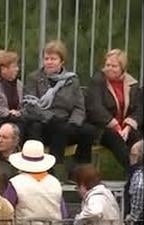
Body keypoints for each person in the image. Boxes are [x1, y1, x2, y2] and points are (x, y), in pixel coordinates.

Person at [23, 40, 96, 178]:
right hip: (44, 122)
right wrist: (51, 117)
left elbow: (79, 106)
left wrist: (73, 122)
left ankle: (79, 172)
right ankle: (52, 172)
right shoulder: (34, 78)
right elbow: (30, 105)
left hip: (68, 122)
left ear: (62, 61)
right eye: (46, 58)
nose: (49, 62)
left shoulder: (72, 80)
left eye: (53, 59)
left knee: (88, 131)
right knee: (56, 127)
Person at [85, 49, 143, 170]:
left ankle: (137, 175)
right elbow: (95, 108)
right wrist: (115, 125)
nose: (109, 69)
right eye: (107, 65)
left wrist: (128, 127)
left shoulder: (132, 84)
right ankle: (134, 173)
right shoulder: (97, 81)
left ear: (122, 68)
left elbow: (138, 109)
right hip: (103, 128)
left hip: (126, 128)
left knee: (138, 141)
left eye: (114, 66)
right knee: (116, 140)